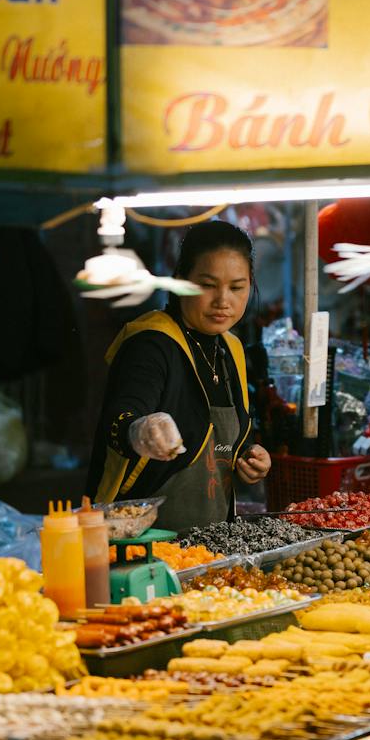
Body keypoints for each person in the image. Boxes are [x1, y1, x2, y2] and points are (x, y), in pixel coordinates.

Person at [85, 220, 271, 530]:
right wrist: (139, 430)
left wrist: (250, 456)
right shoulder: (150, 342)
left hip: (211, 545)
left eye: (237, 287)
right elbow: (118, 419)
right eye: (207, 285)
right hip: (139, 543)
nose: (223, 301)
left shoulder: (232, 348)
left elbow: (225, 441)